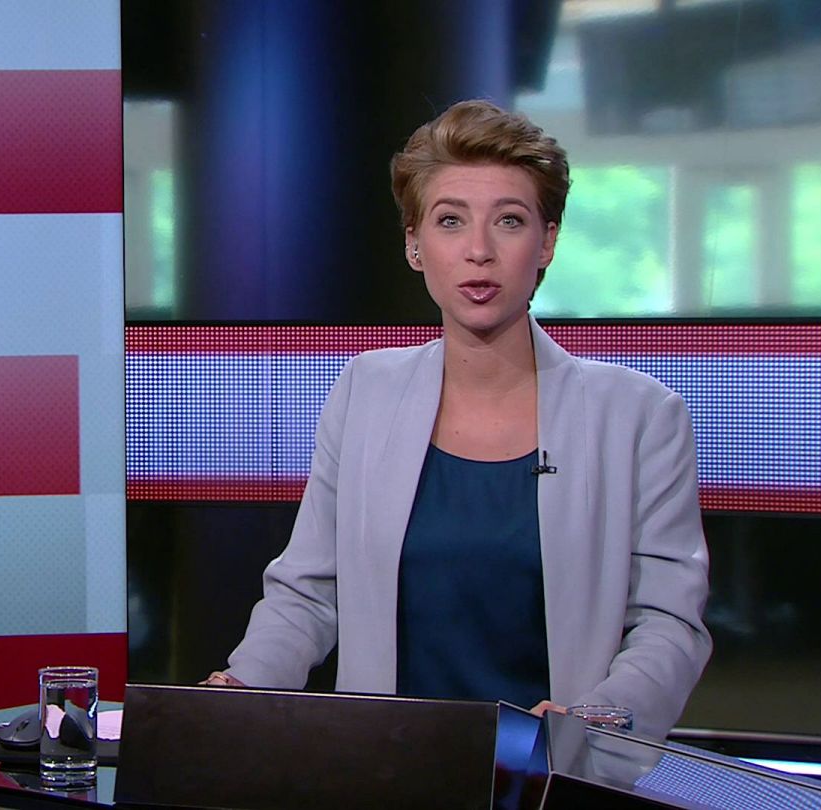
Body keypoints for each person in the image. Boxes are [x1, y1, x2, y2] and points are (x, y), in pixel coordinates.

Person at [204, 99, 711, 740]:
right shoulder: (366, 391)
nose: (478, 251)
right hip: (385, 766)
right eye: (450, 221)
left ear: (547, 242)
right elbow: (310, 591)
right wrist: (241, 688)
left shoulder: (638, 415)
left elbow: (668, 623)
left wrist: (590, 722)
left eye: (509, 221)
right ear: (414, 245)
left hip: (551, 772)